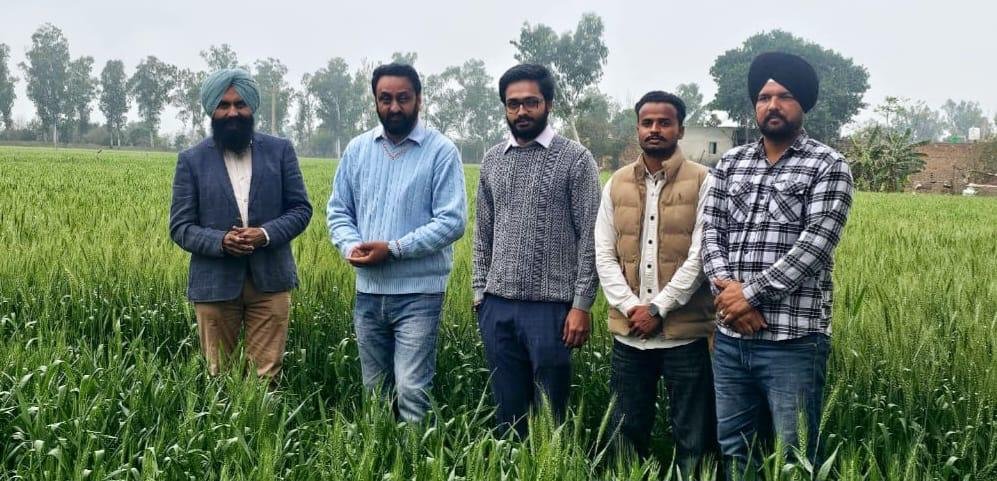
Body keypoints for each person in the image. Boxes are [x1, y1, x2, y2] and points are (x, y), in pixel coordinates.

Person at [701, 51, 854, 475]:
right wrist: (728, 296)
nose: (772, 104)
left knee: (795, 457)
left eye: (784, 95)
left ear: (802, 103)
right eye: (764, 96)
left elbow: (814, 246)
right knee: (735, 449)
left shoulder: (828, 165)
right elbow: (710, 234)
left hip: (793, 343)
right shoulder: (730, 164)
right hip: (731, 341)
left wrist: (746, 296)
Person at [327, 63, 467, 423]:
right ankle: (380, 462)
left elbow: (452, 221)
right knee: (374, 392)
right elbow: (338, 212)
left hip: (419, 295)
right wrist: (350, 247)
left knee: (412, 392)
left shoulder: (441, 151)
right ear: (374, 101)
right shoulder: (358, 150)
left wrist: (394, 249)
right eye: (385, 99)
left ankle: (415, 465)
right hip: (368, 293)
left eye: (403, 98)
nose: (394, 107)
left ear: (418, 99)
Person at [472, 63, 601, 437]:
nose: (521, 111)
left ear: (549, 104)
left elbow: (590, 237)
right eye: (513, 104)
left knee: (550, 418)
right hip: (497, 308)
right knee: (507, 418)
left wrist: (581, 306)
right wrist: (480, 295)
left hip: (552, 313)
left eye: (531, 102)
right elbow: (483, 233)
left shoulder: (576, 158)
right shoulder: (493, 159)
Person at [594, 90, 718, 475]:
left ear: (680, 128)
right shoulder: (615, 183)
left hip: (686, 335)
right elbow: (604, 254)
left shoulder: (705, 181)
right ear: (637, 129)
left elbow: (702, 255)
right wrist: (633, 308)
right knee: (624, 432)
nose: (655, 129)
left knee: (694, 435)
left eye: (664, 122)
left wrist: (659, 308)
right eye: (647, 122)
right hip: (630, 335)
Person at [169, 68, 313, 383]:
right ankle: (222, 432)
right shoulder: (191, 160)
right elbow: (180, 226)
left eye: (240, 104)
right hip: (215, 284)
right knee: (220, 375)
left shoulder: (280, 151)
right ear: (211, 110)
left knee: (267, 375)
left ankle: (262, 430)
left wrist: (264, 235)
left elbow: (301, 209)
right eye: (223, 105)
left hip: (271, 281)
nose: (232, 112)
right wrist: (221, 241)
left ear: (251, 107)